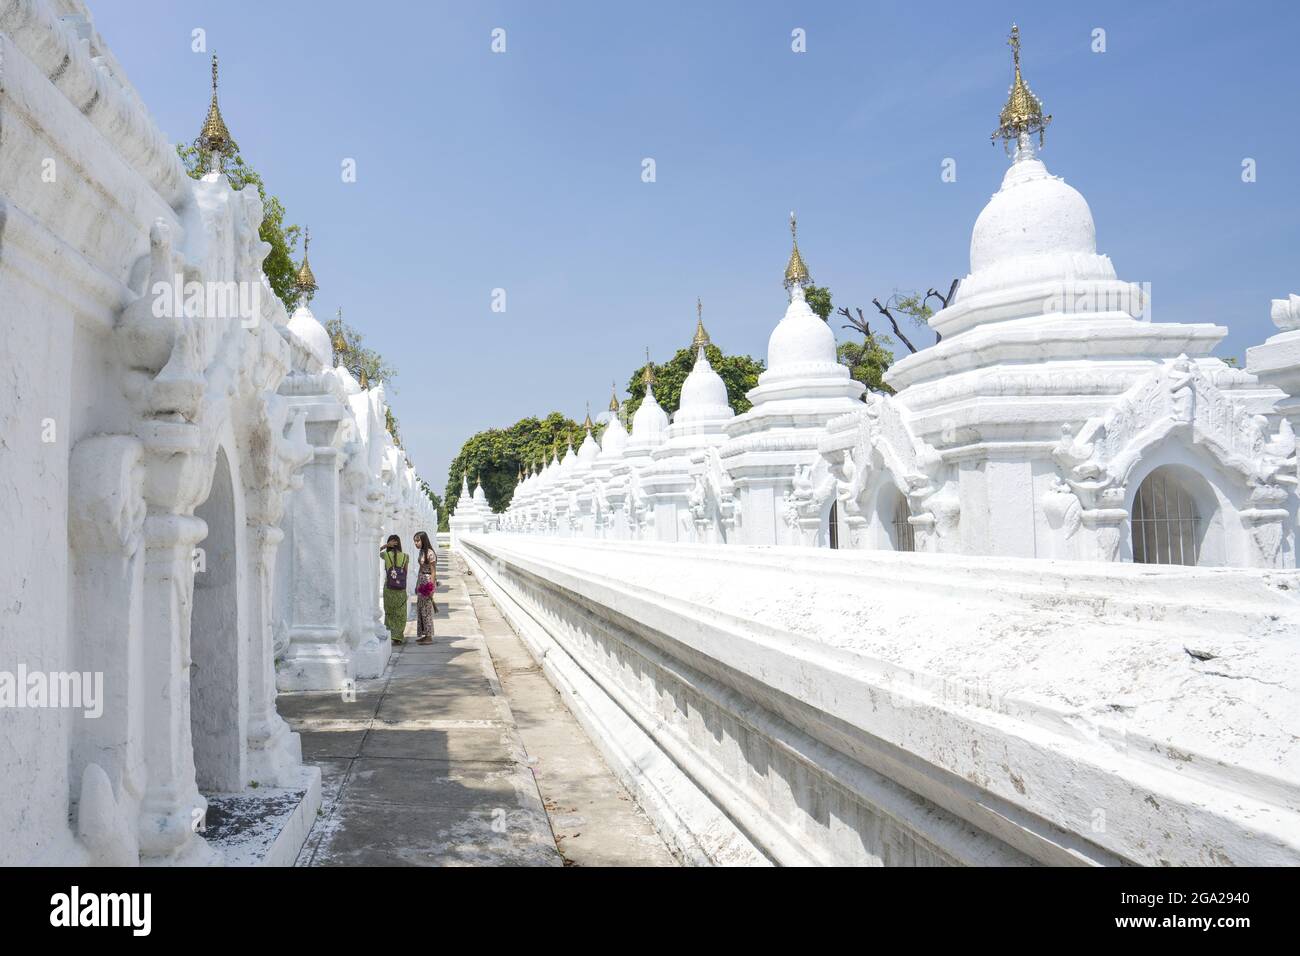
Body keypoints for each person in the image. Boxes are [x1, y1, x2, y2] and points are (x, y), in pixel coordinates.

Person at [380, 535, 409, 645]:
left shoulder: (385, 555)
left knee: (389, 612)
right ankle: (398, 636)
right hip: (401, 589)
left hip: (389, 588)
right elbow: (405, 573)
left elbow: (374, 551)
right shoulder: (405, 557)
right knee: (401, 613)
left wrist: (386, 545)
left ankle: (390, 634)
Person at [413, 530, 437, 645]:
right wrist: (417, 583)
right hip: (421, 581)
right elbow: (421, 569)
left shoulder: (430, 553)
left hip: (427, 582)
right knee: (420, 609)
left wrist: (431, 588)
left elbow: (433, 572)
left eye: (417, 541)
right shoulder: (421, 552)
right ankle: (424, 634)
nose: (416, 543)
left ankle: (429, 636)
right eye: (415, 541)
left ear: (423, 540)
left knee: (426, 610)